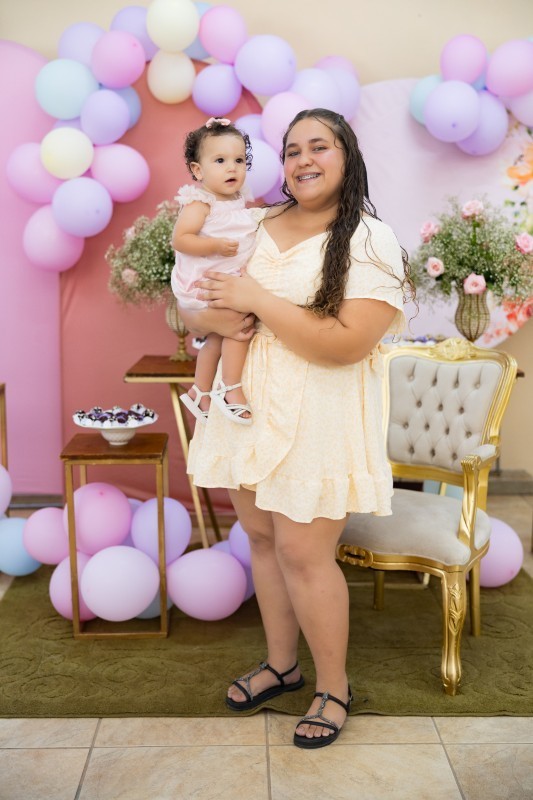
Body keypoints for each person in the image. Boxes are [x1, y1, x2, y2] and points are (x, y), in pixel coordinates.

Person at [178, 108, 415, 749]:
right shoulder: (253, 223)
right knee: (260, 540)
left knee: (304, 555)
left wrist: (256, 301)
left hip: (320, 417)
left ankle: (334, 688)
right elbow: (196, 303)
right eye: (291, 150)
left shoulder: (369, 240)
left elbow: (347, 344)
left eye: (319, 147)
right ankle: (282, 665)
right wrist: (212, 317)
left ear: (346, 156)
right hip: (246, 408)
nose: (303, 160)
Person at [171, 117, 261, 426]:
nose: (232, 168)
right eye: (220, 161)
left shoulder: (237, 201)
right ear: (198, 171)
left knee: (216, 338)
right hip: (202, 282)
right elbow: (180, 239)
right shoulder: (200, 204)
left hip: (222, 276)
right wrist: (214, 246)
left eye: (239, 160)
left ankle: (200, 390)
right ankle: (231, 389)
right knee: (239, 329)